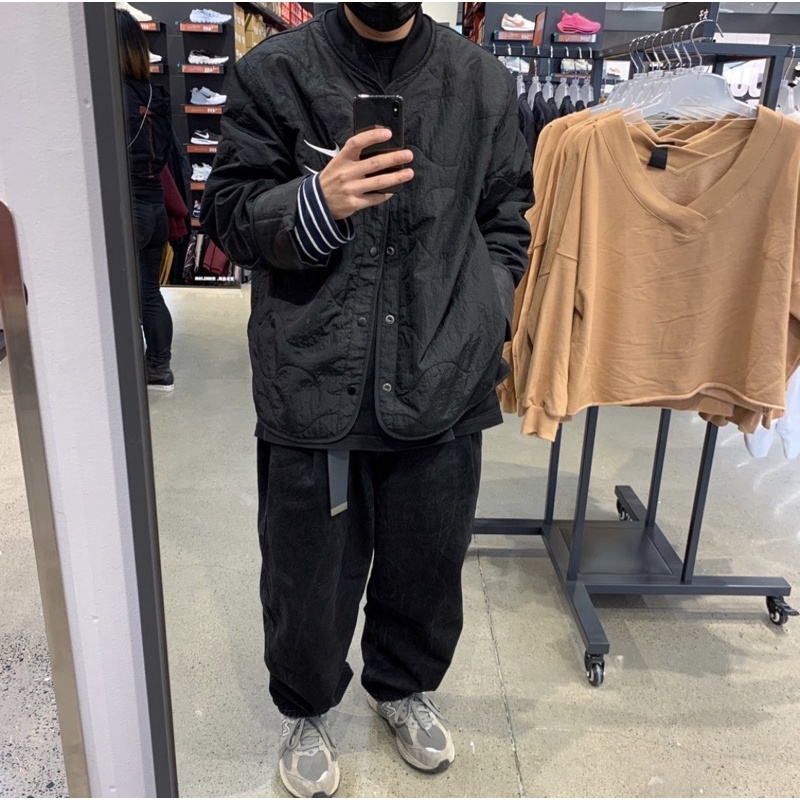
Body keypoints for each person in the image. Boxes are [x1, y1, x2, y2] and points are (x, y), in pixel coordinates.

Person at [201, 3, 531, 797]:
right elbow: (228, 216)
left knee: (428, 561)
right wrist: (317, 200)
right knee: (306, 577)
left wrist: (485, 314)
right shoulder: (275, 72)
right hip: (314, 376)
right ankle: (308, 707)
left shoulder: (481, 82)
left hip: (441, 371)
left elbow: (507, 220)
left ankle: (402, 688)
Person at [117, 8, 176, 390]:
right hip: (155, 204)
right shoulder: (156, 95)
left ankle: (144, 367)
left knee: (128, 295)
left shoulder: (111, 97)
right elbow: (168, 152)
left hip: (128, 206)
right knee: (149, 291)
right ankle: (158, 364)